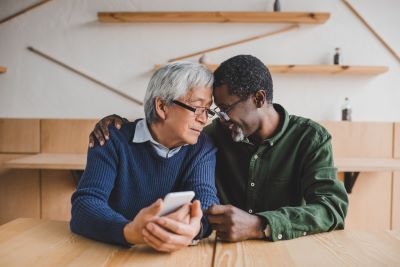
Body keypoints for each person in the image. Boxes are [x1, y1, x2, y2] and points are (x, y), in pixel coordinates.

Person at [89, 55, 348, 243]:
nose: (213, 119)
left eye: (223, 109)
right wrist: (117, 125)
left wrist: (261, 224)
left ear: (259, 99)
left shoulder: (310, 138)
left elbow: (332, 209)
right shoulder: (211, 136)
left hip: (288, 252)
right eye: (213, 110)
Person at [70, 61, 219, 252]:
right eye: (197, 108)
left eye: (207, 110)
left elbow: (206, 202)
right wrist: (129, 231)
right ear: (162, 106)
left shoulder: (202, 146)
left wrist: (195, 229)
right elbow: (85, 205)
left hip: (173, 254)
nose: (204, 119)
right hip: (111, 251)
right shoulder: (112, 139)